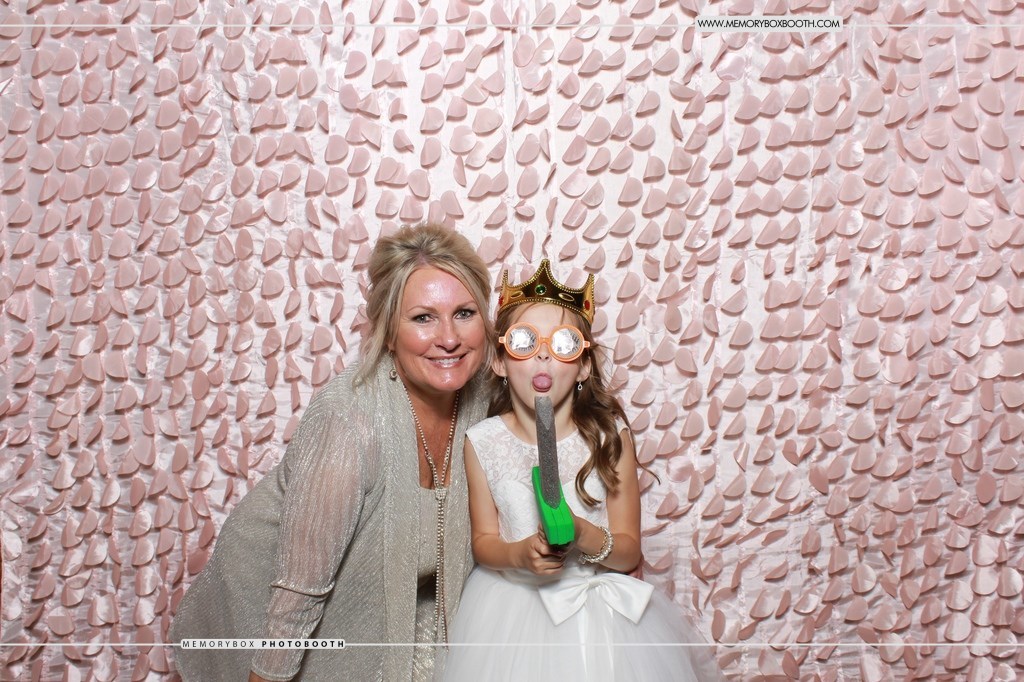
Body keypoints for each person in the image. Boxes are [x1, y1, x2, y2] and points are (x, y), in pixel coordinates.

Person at [170, 223, 495, 681]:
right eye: (423, 318)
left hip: (397, 615)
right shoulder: (349, 421)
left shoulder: (485, 402)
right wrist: (267, 674)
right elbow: (299, 589)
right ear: (388, 333)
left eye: (464, 313)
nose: (448, 337)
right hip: (268, 614)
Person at [440, 260, 724, 681]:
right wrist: (520, 555)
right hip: (513, 615)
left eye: (564, 344)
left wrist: (582, 533)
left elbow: (629, 551)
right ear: (499, 360)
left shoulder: (610, 437)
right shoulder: (482, 441)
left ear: (584, 367)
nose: (542, 355)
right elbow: (484, 542)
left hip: (604, 623)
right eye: (524, 341)